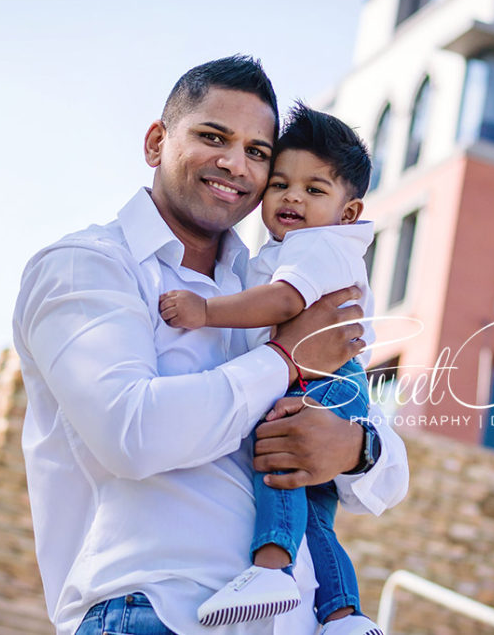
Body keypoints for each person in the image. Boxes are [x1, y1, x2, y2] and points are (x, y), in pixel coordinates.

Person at [12, 55, 409, 635]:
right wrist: (284, 359)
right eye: (212, 137)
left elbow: (389, 474)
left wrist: (352, 448)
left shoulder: (271, 286)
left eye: (256, 152)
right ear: (156, 142)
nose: (234, 163)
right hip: (153, 609)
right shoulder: (88, 267)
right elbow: (133, 435)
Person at [159, 103, 383, 635]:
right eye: (280, 184)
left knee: (277, 454)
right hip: (339, 384)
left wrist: (205, 310)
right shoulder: (298, 245)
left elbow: (285, 303)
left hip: (323, 382)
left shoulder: (319, 247)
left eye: (314, 189)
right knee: (317, 516)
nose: (292, 198)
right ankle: (344, 615)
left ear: (348, 213)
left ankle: (272, 569)